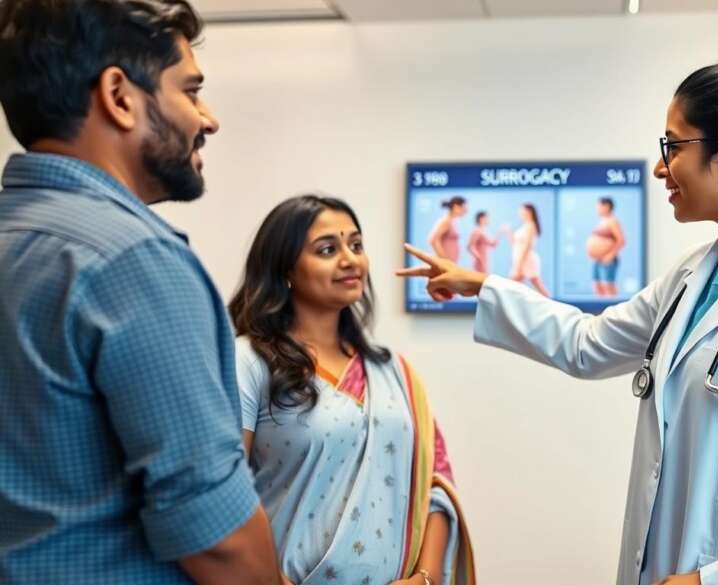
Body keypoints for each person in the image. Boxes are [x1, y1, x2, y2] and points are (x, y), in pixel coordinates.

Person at [399, 25, 718, 585]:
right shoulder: (692, 276)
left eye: (672, 146)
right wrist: (483, 286)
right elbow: (587, 344)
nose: (659, 167)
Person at [0, 1, 285, 583]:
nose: (208, 119)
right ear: (119, 96)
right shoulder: (133, 261)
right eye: (191, 90)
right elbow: (220, 541)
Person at [230, 195, 475, 585]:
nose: (350, 259)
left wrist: (425, 578)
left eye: (356, 245)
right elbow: (223, 490)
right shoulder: (248, 361)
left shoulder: (394, 371)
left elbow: (436, 485)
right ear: (285, 268)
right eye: (328, 249)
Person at [587, 197, 626, 297]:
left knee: (608, 286)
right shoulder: (602, 221)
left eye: (599, 206)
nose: (597, 209)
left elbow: (621, 240)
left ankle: (613, 310)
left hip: (608, 260)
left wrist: (610, 255)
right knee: (597, 285)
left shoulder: (612, 221)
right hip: (598, 260)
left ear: (607, 206)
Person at [510, 203, 550, 297]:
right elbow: (516, 244)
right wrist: (508, 232)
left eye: (521, 211)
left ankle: (554, 306)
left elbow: (528, 246)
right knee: (514, 286)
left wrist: (519, 264)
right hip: (521, 259)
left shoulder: (531, 226)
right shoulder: (525, 226)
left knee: (512, 285)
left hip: (526, 260)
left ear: (529, 212)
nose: (519, 213)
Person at [427, 196, 467, 263]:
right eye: (464, 209)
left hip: (451, 263)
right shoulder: (446, 221)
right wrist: (445, 260)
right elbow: (433, 240)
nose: (465, 211)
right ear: (456, 207)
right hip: (445, 264)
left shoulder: (452, 221)